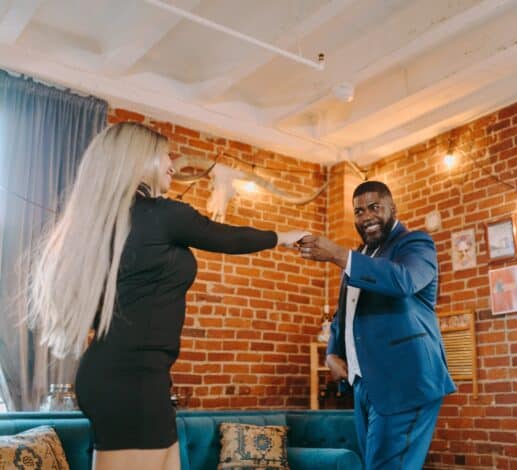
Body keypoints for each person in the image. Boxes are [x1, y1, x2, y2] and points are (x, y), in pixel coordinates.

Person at [29, 122, 308, 470]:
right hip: (130, 380)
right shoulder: (162, 216)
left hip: (133, 376)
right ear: (139, 160)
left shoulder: (108, 224)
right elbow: (228, 238)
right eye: (164, 155)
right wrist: (285, 235)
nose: (172, 164)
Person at [298, 181, 456, 469]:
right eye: (359, 211)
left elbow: (403, 281)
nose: (366, 216)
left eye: (374, 207)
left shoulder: (415, 243)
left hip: (405, 381)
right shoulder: (360, 256)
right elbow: (343, 314)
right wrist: (332, 353)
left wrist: (338, 254)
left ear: (392, 208)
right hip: (364, 384)